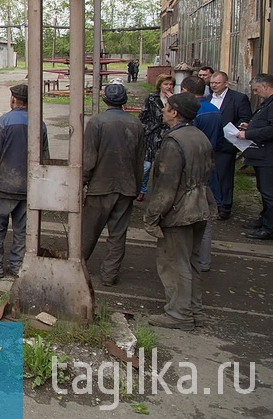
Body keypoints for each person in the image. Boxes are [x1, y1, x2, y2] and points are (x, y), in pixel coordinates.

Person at [143, 92, 216, 331]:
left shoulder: (174, 142)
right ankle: (194, 311)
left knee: (174, 263)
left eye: (167, 107)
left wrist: (153, 216)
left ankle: (178, 314)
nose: (163, 110)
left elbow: (166, 185)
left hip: (180, 211)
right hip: (201, 205)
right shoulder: (199, 136)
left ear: (175, 112)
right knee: (191, 261)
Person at [0, 84, 49, 278]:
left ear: (13, 99)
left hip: (3, 187)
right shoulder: (39, 124)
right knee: (22, 232)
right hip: (28, 188)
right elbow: (45, 158)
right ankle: (17, 268)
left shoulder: (2, 122)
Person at [81, 83, 144, 286]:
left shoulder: (96, 122)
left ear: (104, 99)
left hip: (100, 186)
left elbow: (89, 157)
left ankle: (77, 269)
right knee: (118, 234)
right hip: (127, 186)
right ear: (124, 101)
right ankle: (109, 275)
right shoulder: (137, 124)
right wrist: (137, 187)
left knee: (88, 232)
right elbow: (140, 159)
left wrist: (82, 181)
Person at [180, 76, 222, 271]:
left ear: (186, 90)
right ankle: (203, 260)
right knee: (205, 215)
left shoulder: (192, 112)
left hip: (191, 169)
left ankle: (187, 258)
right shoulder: (215, 110)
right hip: (210, 165)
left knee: (187, 215)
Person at [209, 72, 252, 220]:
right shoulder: (208, 98)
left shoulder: (238, 98)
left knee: (224, 176)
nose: (214, 85)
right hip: (209, 143)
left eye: (217, 83)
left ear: (226, 83)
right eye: (212, 83)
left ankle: (224, 207)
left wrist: (237, 127)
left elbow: (245, 117)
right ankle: (212, 203)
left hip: (227, 143)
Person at [236, 74, 273, 240]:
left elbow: (271, 130)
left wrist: (248, 133)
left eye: (257, 90)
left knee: (268, 192)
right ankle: (264, 219)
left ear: (266, 87)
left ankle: (269, 227)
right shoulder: (267, 103)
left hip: (268, 156)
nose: (256, 93)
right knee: (263, 189)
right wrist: (250, 125)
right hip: (261, 155)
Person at [138, 74, 175, 201]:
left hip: (167, 134)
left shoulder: (175, 99)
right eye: (166, 84)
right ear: (160, 85)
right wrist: (146, 129)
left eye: (170, 84)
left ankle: (162, 192)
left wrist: (174, 101)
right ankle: (142, 189)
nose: (168, 87)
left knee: (164, 166)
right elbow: (143, 115)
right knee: (146, 166)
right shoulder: (152, 98)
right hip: (152, 134)